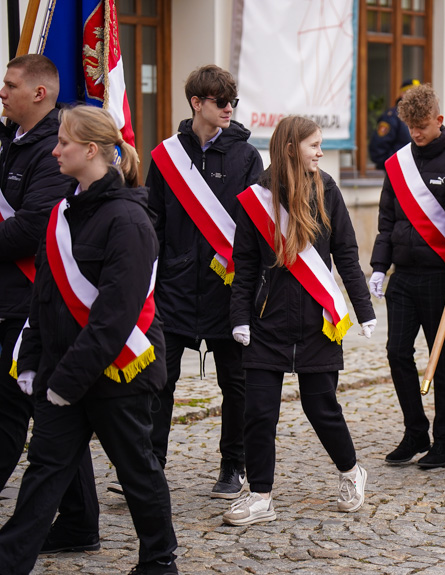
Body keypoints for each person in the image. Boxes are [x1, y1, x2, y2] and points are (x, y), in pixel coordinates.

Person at [0, 106, 178, 575]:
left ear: (92, 150)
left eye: (64, 143)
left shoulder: (128, 220)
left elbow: (114, 317)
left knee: (137, 470)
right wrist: (36, 362)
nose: (55, 150)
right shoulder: (61, 211)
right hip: (63, 372)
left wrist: (66, 381)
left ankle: (160, 561)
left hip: (120, 372)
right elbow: (45, 295)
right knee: (44, 470)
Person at [225, 116, 376, 525]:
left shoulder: (327, 189)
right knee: (258, 412)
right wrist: (240, 316)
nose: (321, 152)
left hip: (318, 321)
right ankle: (259, 495)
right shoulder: (255, 199)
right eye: (314, 145)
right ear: (292, 148)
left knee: (321, 407)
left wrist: (364, 310)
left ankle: (351, 472)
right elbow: (243, 263)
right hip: (266, 324)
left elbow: (346, 254)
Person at [144, 65, 263, 498]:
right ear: (198, 103)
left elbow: (254, 226)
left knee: (236, 386)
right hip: (173, 290)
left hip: (228, 291)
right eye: (220, 101)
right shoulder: (165, 156)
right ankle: (149, 465)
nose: (229, 107)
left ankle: (233, 466)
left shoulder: (247, 157)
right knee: (159, 379)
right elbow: (151, 222)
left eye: (233, 99)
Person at [0, 54, 100, 555]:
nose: (2, 92)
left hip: (29, 303)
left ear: (40, 93)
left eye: (10, 85)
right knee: (55, 418)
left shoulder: (52, 152)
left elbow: (28, 230)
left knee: (13, 410)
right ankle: (80, 522)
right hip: (9, 300)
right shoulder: (8, 141)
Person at [369, 84, 445, 467]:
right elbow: (386, 220)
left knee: (442, 359)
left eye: (423, 126)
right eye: (411, 127)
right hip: (404, 277)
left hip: (439, 278)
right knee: (396, 352)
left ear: (439, 120)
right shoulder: (397, 165)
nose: (417, 133)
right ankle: (415, 432)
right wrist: (379, 267)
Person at [369, 79, 418, 169]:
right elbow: (378, 149)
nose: (416, 97)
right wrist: (392, 166)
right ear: (403, 94)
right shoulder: (392, 117)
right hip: (397, 170)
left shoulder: (420, 116)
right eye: (412, 93)